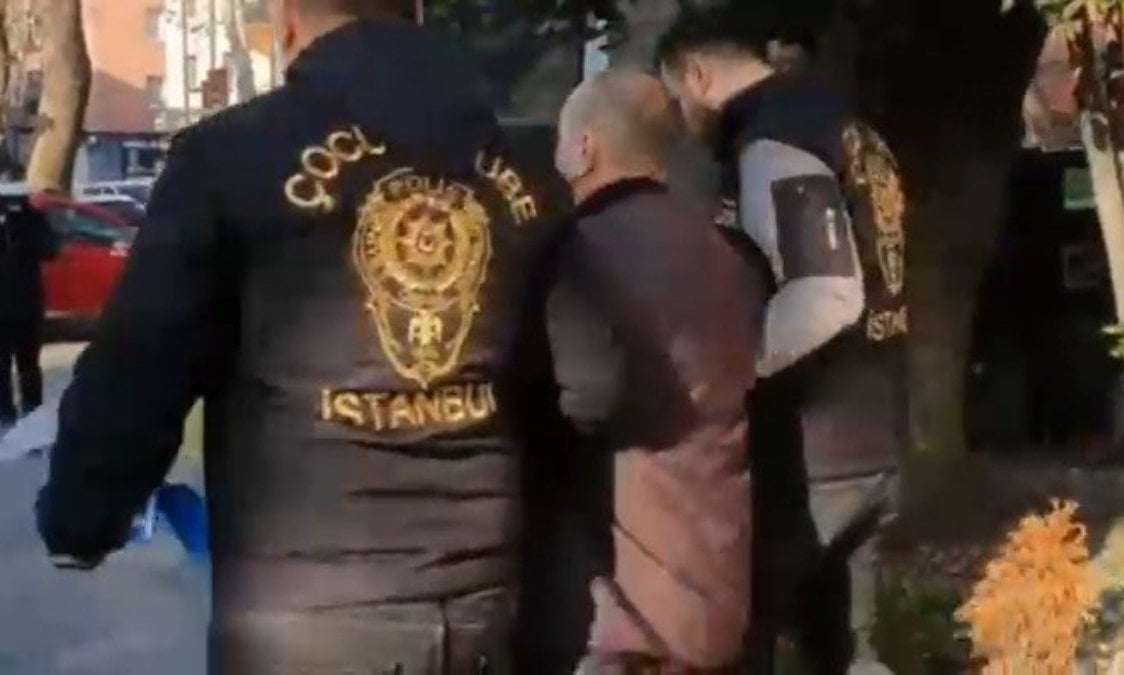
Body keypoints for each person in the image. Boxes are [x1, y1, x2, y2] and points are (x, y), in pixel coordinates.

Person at [36, 1, 568, 672]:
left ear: (287, 21)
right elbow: (574, 383)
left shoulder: (230, 155)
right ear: (417, 12)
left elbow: (140, 367)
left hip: (306, 619)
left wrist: (81, 519)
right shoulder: (528, 172)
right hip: (481, 609)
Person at [656, 11, 909, 675]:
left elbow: (826, 293)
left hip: (812, 453)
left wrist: (730, 368)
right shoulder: (840, 122)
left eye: (678, 101)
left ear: (697, 75)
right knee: (855, 653)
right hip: (876, 428)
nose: (684, 122)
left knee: (762, 644)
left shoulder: (773, 140)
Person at [544, 69, 764, 674]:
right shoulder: (725, 252)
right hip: (717, 573)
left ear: (582, 148)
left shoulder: (582, 250)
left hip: (626, 605)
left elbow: (580, 405)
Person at [0, 191, 56, 430]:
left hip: (27, 306)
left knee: (29, 366)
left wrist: (24, 225)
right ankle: (5, 414)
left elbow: (50, 250)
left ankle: (32, 414)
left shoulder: (30, 217)